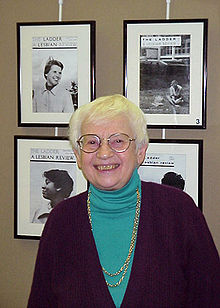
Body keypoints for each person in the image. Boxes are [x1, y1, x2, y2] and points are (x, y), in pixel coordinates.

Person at [28, 94, 220, 307]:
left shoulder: (179, 212)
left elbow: (211, 298)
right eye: (92, 142)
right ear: (78, 155)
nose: (104, 153)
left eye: (118, 141)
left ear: (140, 151)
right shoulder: (61, 220)